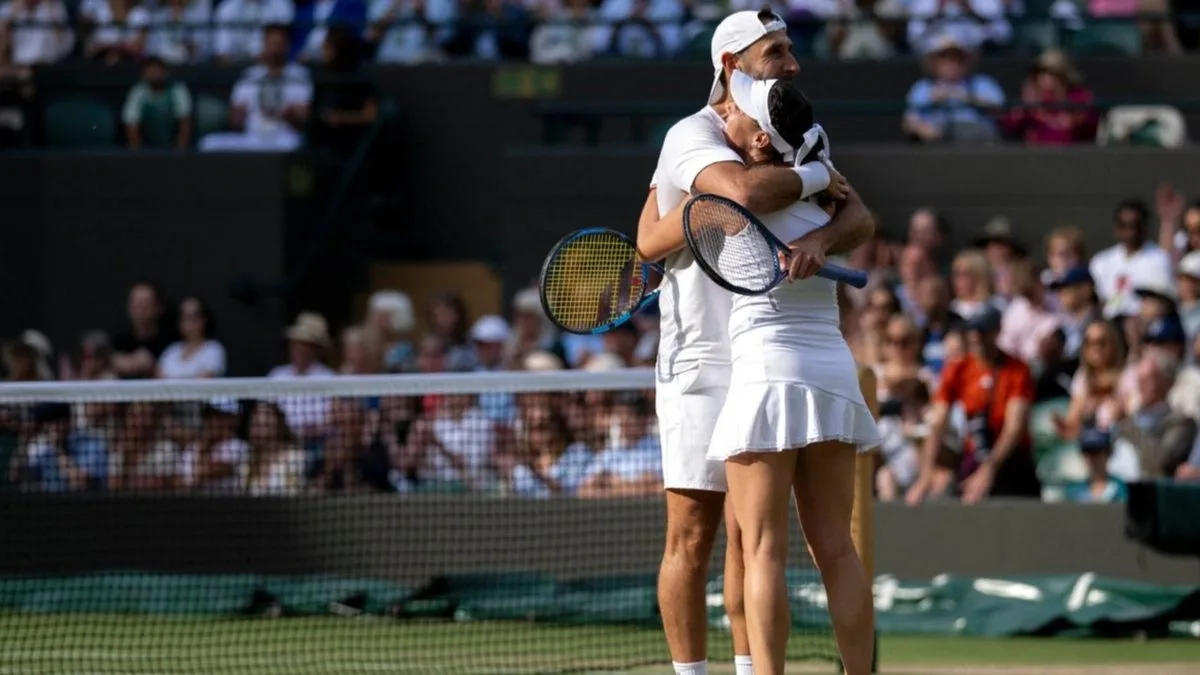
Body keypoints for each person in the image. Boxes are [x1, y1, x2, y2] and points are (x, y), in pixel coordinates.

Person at [631, 10, 875, 675]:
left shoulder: (791, 128)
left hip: (768, 356)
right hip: (704, 359)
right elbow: (720, 201)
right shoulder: (691, 136)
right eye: (777, 50)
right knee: (694, 533)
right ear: (731, 66)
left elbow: (860, 213)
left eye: (792, 49)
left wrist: (821, 235)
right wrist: (819, 182)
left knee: (753, 538)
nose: (792, 61)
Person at [703, 73, 879, 675]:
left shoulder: (736, 191)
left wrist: (822, 243)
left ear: (757, 142)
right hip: (830, 368)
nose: (723, 112)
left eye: (736, 113)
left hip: (768, 374)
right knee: (838, 548)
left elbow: (751, 196)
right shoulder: (823, 189)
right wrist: (824, 226)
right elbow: (859, 214)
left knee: (761, 550)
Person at [908, 306, 1041, 505]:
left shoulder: (1017, 371)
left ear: (996, 332)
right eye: (973, 331)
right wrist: (926, 474)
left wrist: (990, 468)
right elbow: (938, 422)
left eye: (983, 331)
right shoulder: (958, 368)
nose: (977, 337)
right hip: (975, 452)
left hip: (1009, 458)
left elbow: (1013, 428)